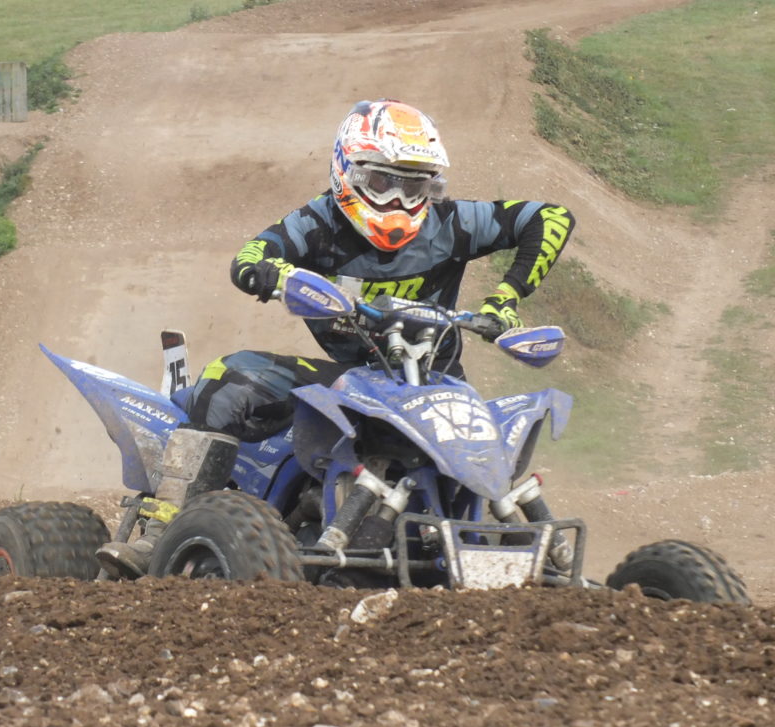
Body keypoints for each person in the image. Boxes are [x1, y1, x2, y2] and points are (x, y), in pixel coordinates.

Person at [95, 98, 575, 579]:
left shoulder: (453, 222)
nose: (399, 200)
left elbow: (551, 217)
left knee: (502, 449)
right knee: (225, 378)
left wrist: (505, 299)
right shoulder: (318, 223)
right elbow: (249, 259)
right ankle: (162, 531)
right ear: (349, 171)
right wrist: (283, 276)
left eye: (414, 186)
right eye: (383, 182)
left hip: (438, 388)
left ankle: (536, 563)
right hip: (354, 379)